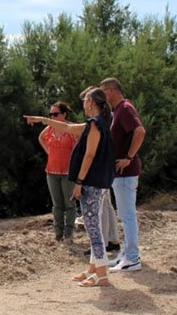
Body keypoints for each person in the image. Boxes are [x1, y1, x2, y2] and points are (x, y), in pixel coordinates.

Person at [24, 88, 115, 287]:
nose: (82, 104)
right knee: (94, 225)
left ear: (90, 102)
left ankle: (102, 275)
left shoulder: (95, 124)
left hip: (91, 182)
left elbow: (89, 155)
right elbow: (68, 128)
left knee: (93, 229)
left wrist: (79, 182)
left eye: (84, 100)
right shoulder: (98, 122)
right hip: (98, 182)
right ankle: (94, 268)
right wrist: (43, 120)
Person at [99, 77, 146, 272]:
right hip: (119, 173)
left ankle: (133, 258)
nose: (102, 96)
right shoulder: (118, 110)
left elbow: (140, 131)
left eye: (103, 91)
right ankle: (127, 253)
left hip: (126, 172)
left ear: (111, 90)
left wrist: (128, 156)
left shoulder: (125, 108)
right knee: (125, 215)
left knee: (127, 216)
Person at [37, 101, 78, 244]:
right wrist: (49, 151)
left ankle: (69, 234)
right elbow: (41, 138)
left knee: (70, 203)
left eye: (55, 114)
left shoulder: (71, 128)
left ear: (64, 114)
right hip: (52, 170)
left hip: (68, 171)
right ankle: (58, 234)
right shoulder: (49, 129)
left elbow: (80, 144)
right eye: (51, 114)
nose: (52, 117)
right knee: (57, 204)